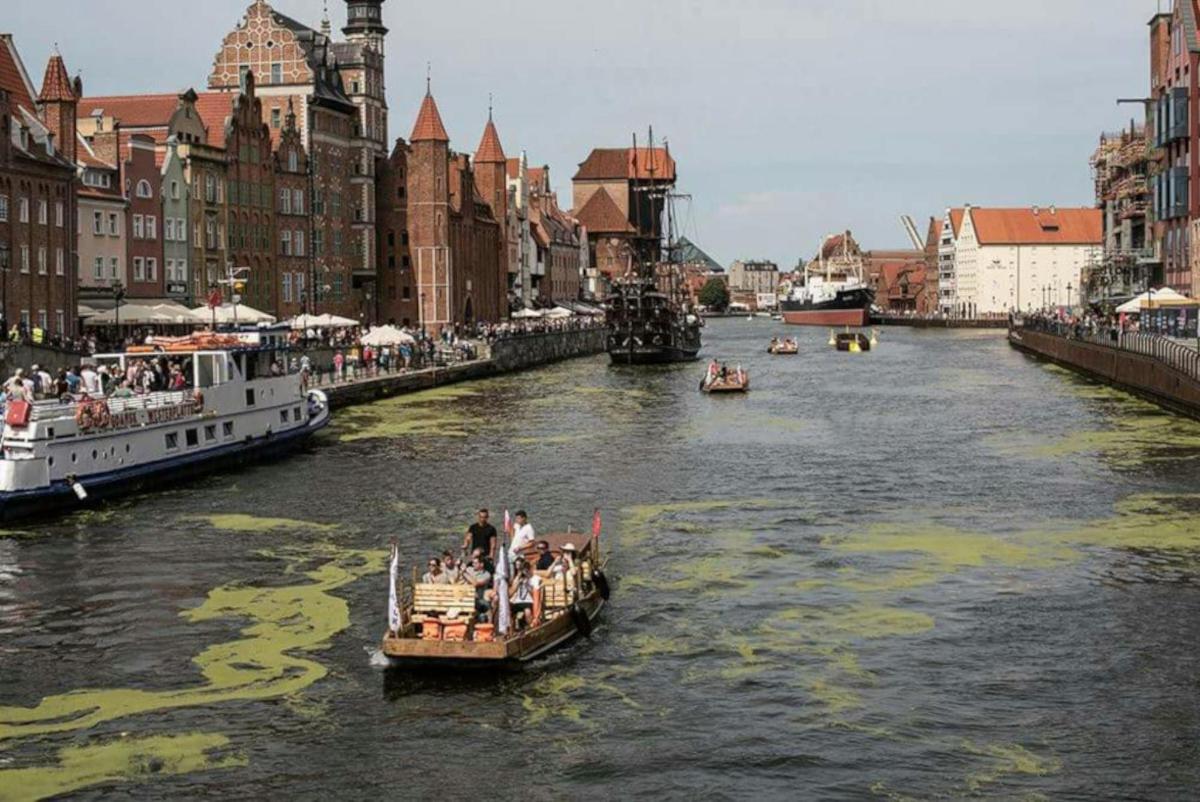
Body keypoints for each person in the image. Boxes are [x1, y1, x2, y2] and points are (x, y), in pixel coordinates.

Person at [510, 561, 543, 629]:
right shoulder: (519, 578)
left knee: (527, 611)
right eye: (524, 570)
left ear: (530, 569)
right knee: (509, 610)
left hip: (529, 601)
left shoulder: (536, 579)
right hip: (518, 601)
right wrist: (518, 580)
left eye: (527, 570)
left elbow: (535, 594)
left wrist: (527, 584)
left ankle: (532, 628)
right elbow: (512, 591)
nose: (526, 572)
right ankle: (511, 631)